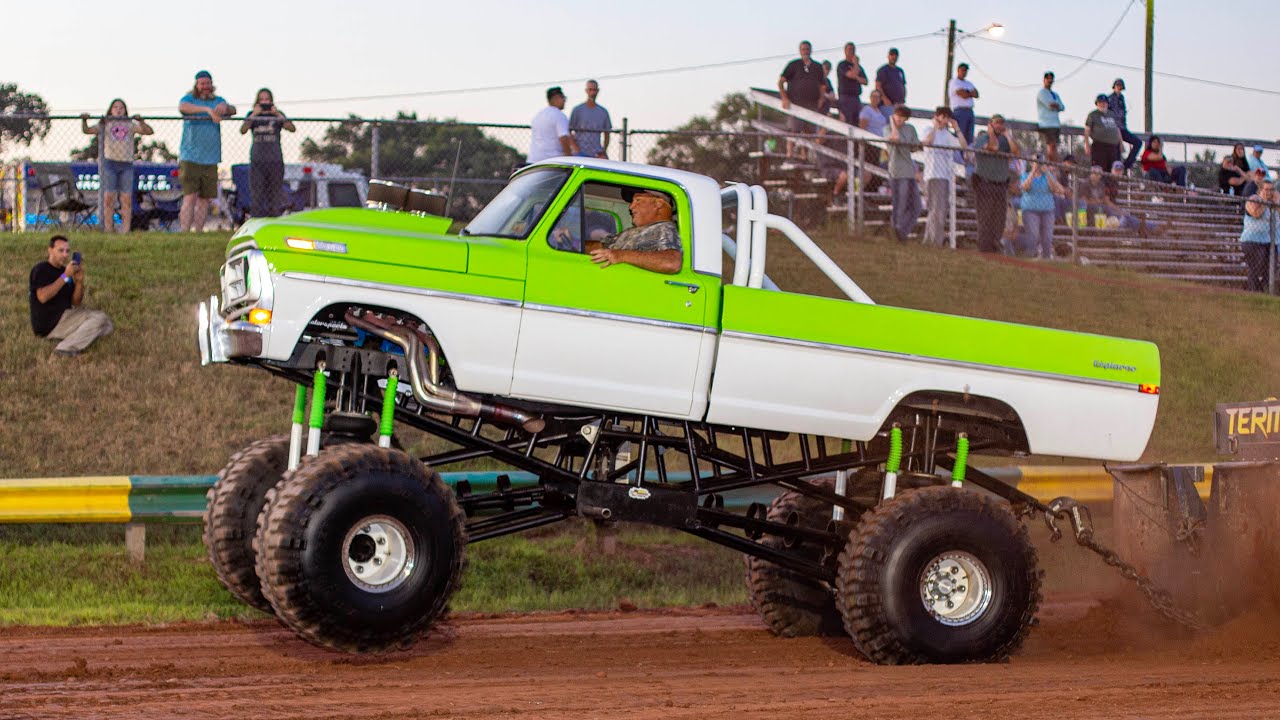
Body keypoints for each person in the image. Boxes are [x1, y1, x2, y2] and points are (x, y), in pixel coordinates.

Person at [28, 235, 113, 357]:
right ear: (50, 250)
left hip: (66, 317)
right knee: (100, 318)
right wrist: (65, 276)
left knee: (108, 326)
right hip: (49, 323)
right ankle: (65, 348)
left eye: (67, 251)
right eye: (60, 251)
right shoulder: (41, 269)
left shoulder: (66, 271)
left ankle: (75, 335)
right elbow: (42, 297)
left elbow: (76, 302)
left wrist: (79, 282)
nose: (65, 255)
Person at [80, 99, 153, 234]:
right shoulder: (106, 123)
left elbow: (148, 131)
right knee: (109, 198)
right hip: (110, 163)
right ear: (110, 110)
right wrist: (84, 120)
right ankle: (109, 228)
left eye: (121, 107)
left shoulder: (130, 124)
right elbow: (88, 130)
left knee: (126, 198)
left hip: (126, 163)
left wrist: (141, 122)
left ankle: (125, 230)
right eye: (115, 107)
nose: (118, 110)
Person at [178, 70, 237, 232]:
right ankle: (184, 232)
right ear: (196, 85)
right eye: (202, 83)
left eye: (208, 83)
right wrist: (207, 110)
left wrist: (224, 107)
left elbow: (233, 110)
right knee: (190, 197)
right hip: (190, 157)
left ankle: (198, 232)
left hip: (211, 158)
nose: (205, 86)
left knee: (205, 199)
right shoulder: (189, 99)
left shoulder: (218, 100)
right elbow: (182, 107)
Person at [585, 190, 682, 275]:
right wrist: (574, 244)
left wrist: (620, 255)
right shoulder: (634, 231)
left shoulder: (665, 228)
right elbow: (601, 246)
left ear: (658, 204)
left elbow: (671, 263)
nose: (631, 206)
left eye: (638, 200)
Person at [239, 88, 295, 218]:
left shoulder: (277, 115)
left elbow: (291, 128)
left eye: (267, 99)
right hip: (257, 160)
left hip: (275, 160)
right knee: (257, 195)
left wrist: (278, 115)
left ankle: (274, 221)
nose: (265, 102)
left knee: (274, 195)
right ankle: (257, 222)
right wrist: (254, 115)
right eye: (262, 99)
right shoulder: (252, 115)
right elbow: (243, 130)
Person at [971, 114, 1020, 253]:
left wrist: (1008, 135)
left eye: (1001, 123)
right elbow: (992, 147)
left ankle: (995, 244)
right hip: (984, 182)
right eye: (996, 123)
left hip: (1000, 183)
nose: (999, 126)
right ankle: (984, 246)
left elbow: (1016, 152)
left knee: (999, 217)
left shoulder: (1005, 140)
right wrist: (991, 133)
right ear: (990, 124)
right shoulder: (982, 138)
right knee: (985, 215)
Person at [922, 106, 965, 247]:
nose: (944, 120)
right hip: (933, 174)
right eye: (942, 116)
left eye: (947, 117)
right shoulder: (928, 129)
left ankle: (933, 240)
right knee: (935, 209)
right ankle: (932, 241)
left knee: (940, 210)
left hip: (945, 176)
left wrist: (956, 128)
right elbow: (927, 142)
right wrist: (935, 127)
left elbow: (963, 146)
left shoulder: (947, 135)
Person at [1080, 164, 1163, 235]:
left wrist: (1119, 210)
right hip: (1091, 210)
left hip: (1102, 208)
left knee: (1126, 216)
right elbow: (1084, 202)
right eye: (1095, 173)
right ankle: (1147, 228)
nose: (1097, 176)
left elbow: (1105, 201)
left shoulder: (1101, 185)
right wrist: (1099, 202)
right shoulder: (1086, 184)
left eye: (1099, 174)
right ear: (1091, 174)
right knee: (1122, 218)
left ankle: (1152, 226)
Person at [778, 41, 827, 158]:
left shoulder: (817, 67)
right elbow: (780, 82)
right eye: (803, 49)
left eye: (807, 49)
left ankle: (804, 155)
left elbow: (822, 85)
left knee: (809, 131)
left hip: (812, 104)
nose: (805, 51)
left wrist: (821, 98)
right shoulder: (793, 65)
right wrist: (784, 98)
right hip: (795, 104)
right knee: (794, 129)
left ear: (811, 50)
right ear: (800, 51)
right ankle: (790, 153)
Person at [883, 105, 921, 242]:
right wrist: (893, 123)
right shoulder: (887, 128)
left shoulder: (910, 129)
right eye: (897, 116)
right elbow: (894, 138)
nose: (899, 119)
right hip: (896, 171)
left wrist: (909, 143)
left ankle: (902, 231)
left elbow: (916, 146)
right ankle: (896, 230)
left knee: (917, 206)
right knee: (900, 203)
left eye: (902, 117)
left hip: (909, 170)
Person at [1020, 155, 1065, 259]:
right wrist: (1033, 171)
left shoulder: (1048, 177)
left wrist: (1047, 172)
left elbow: (1057, 189)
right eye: (1035, 162)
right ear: (1031, 163)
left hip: (1047, 210)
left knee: (1047, 237)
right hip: (1030, 210)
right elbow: (1025, 187)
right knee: (1034, 235)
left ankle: (1046, 258)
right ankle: (1031, 255)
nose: (1038, 164)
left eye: (1040, 162)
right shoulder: (1025, 175)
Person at [1240, 179, 1278, 292]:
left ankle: (1263, 291)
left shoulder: (1273, 205)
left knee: (1272, 268)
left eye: (1272, 190)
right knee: (1255, 268)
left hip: (1268, 242)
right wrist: (1265, 203)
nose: (1269, 192)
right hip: (1252, 241)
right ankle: (1254, 292)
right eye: (1266, 189)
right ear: (1260, 191)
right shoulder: (1254, 199)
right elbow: (1255, 213)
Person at [528, 86, 574, 164]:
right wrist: (570, 158)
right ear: (555, 98)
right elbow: (563, 138)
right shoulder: (559, 115)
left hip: (533, 160)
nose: (564, 101)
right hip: (552, 161)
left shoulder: (538, 115)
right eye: (563, 98)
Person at [569, 80, 612, 159]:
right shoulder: (577, 110)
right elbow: (569, 131)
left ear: (598, 91)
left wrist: (603, 150)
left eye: (594, 90)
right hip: (580, 153)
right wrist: (576, 149)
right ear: (586, 91)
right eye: (590, 90)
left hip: (596, 153)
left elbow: (607, 133)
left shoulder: (603, 112)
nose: (592, 93)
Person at [1106, 79, 1142, 171]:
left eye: (1120, 86)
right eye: (1117, 86)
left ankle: (1126, 165)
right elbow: (1110, 116)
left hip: (1122, 128)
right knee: (1117, 152)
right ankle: (1118, 171)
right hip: (1113, 130)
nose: (1119, 88)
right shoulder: (1109, 99)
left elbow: (1122, 115)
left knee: (1138, 142)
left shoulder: (1122, 98)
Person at [1084, 94, 1122, 175]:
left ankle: (1111, 187)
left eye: (1104, 102)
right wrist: (1086, 144)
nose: (1102, 104)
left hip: (1113, 147)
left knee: (1113, 171)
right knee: (1099, 170)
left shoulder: (1112, 114)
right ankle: (1099, 187)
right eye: (1100, 102)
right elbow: (1087, 130)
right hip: (1099, 146)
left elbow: (1117, 129)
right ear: (1097, 104)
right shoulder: (1093, 115)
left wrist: (1121, 143)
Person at [835, 42, 868, 125]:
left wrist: (856, 76)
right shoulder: (842, 65)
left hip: (856, 97)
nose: (851, 52)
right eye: (849, 49)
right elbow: (851, 75)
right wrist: (856, 65)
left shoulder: (859, 68)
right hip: (845, 97)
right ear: (845, 51)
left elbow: (865, 81)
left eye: (853, 50)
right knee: (847, 121)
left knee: (856, 121)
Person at [1035, 71, 1065, 161]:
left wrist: (1056, 105)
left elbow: (1062, 107)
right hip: (1046, 124)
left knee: (1055, 146)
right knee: (1051, 145)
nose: (1049, 80)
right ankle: (1053, 165)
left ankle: (1054, 165)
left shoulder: (1055, 94)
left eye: (1051, 79)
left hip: (1056, 123)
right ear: (1044, 80)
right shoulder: (1042, 92)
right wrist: (1056, 105)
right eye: (1047, 78)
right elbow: (1050, 105)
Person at [947, 63, 978, 144]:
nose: (964, 72)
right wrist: (969, 92)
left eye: (966, 70)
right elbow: (963, 95)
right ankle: (958, 155)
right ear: (958, 70)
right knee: (960, 135)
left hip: (969, 111)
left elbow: (976, 94)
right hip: (960, 111)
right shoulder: (954, 82)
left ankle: (967, 155)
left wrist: (967, 92)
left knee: (969, 137)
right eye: (963, 70)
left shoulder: (969, 83)